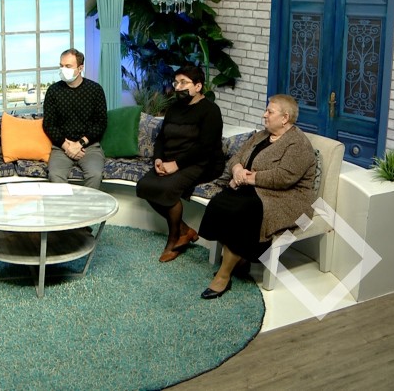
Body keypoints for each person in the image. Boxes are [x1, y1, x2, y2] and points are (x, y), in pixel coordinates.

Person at [198, 94, 317, 299]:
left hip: (287, 198)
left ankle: (223, 275)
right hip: (256, 189)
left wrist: (245, 179)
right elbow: (237, 157)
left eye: (270, 112)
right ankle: (240, 260)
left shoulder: (298, 144)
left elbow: (284, 178)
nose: (264, 115)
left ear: (285, 118)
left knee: (243, 212)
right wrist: (237, 170)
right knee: (220, 202)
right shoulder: (262, 135)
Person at [135, 65, 225, 262]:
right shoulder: (174, 108)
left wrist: (176, 165)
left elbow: (205, 147)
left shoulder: (211, 110)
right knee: (144, 186)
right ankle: (185, 230)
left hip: (202, 163)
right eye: (176, 83)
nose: (178, 87)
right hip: (170, 159)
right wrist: (158, 159)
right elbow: (161, 138)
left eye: (184, 83)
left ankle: (174, 238)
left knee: (167, 189)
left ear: (198, 86)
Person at [42, 48, 108, 190]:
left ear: (80, 68)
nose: (63, 69)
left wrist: (80, 144)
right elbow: (49, 124)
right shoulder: (53, 91)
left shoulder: (95, 90)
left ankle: (86, 205)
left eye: (68, 66)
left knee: (95, 175)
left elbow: (101, 123)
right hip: (61, 147)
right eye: (61, 65)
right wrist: (67, 147)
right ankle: (68, 204)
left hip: (89, 147)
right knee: (55, 174)